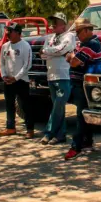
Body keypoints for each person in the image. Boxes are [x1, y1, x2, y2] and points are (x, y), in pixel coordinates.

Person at [64, 18, 101, 160]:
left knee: (80, 116)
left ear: (87, 30)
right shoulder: (84, 44)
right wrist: (72, 56)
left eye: (79, 31)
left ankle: (76, 146)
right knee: (83, 114)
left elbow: (73, 61)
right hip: (78, 84)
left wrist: (72, 56)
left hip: (84, 85)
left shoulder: (91, 44)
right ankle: (87, 142)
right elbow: (69, 56)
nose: (77, 34)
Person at [40, 13, 76, 145]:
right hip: (51, 75)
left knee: (58, 106)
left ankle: (49, 132)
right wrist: (48, 52)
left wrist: (47, 51)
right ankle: (60, 135)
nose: (53, 24)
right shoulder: (49, 37)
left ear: (64, 24)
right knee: (58, 107)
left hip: (63, 75)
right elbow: (43, 54)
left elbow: (61, 50)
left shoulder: (69, 36)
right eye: (52, 21)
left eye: (56, 21)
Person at [0, 22, 34, 138]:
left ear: (18, 33)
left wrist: (16, 78)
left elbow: (27, 65)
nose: (8, 33)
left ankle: (30, 129)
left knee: (25, 105)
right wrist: (4, 75)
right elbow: (1, 63)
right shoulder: (5, 46)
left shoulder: (25, 46)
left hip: (21, 80)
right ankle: (10, 127)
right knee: (9, 104)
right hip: (8, 81)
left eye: (10, 31)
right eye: (7, 31)